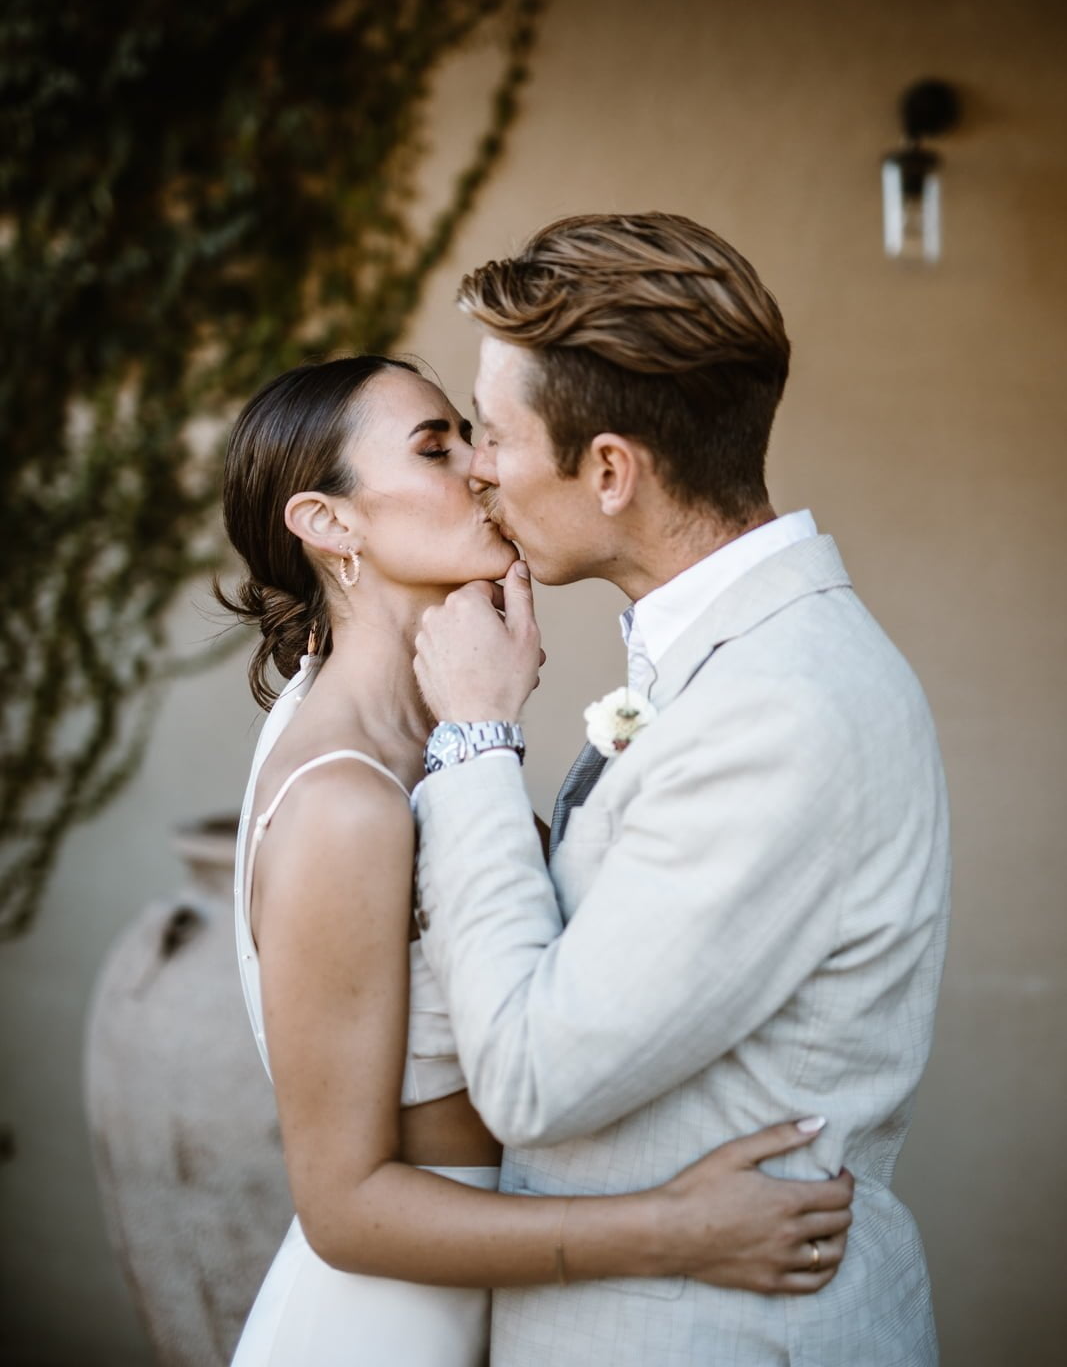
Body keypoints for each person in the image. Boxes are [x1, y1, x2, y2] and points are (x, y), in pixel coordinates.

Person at [218, 355, 854, 1367]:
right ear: (329, 523)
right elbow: (343, 1208)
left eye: (471, 437)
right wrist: (678, 1228)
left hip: (502, 1309)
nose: (480, 466)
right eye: (435, 449)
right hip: (388, 1330)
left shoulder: (429, 736)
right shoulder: (343, 802)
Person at [411, 212, 951, 1366]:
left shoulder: (780, 710)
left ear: (610, 470)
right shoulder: (734, 659)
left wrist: (473, 737)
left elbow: (530, 1075)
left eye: (491, 432)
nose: (476, 466)